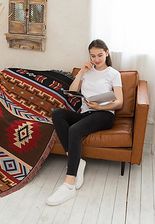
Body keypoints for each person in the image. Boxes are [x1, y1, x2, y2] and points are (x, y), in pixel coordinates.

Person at [46, 39, 123, 206]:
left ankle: (69, 184)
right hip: (87, 113)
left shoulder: (113, 74)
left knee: (74, 130)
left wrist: (102, 106)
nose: (96, 59)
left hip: (104, 115)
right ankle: (77, 161)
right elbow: (73, 91)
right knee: (58, 114)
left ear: (107, 52)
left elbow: (120, 102)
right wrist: (81, 72)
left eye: (100, 55)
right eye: (93, 56)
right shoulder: (87, 72)